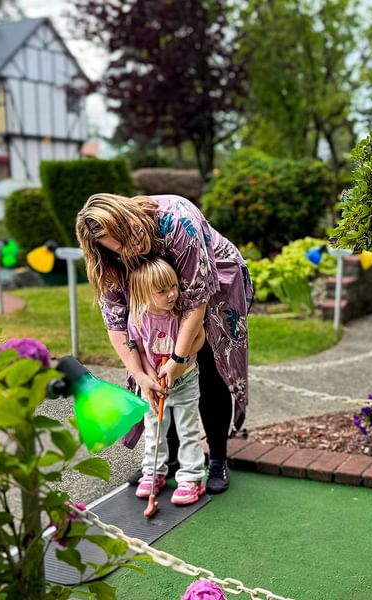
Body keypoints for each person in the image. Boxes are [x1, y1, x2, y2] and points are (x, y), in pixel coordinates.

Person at [76, 194, 254, 494]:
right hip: (155, 293)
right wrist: (141, 375)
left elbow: (197, 302)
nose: (132, 248)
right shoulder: (109, 257)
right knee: (155, 373)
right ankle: (167, 459)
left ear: (131, 215)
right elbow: (116, 321)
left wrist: (179, 359)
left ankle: (218, 459)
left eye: (130, 234)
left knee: (210, 369)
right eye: (120, 249)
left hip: (216, 286)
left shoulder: (179, 221)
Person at [128, 257, 207, 505]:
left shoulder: (181, 314)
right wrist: (150, 377)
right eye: (162, 291)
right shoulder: (138, 318)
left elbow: (199, 339)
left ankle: (191, 478)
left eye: (173, 286)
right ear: (144, 294)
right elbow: (139, 350)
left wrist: (178, 367)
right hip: (153, 386)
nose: (172, 294)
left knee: (188, 431)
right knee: (155, 430)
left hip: (184, 381)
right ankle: (154, 472)